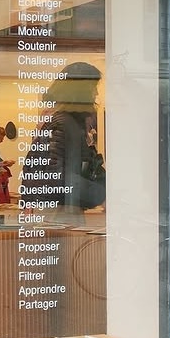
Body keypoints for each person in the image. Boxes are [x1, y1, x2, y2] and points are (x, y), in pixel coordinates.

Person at [21, 61, 105, 223]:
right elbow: (59, 178)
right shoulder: (64, 124)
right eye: (92, 87)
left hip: (56, 206)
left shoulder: (64, 123)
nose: (95, 93)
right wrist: (102, 194)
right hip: (59, 209)